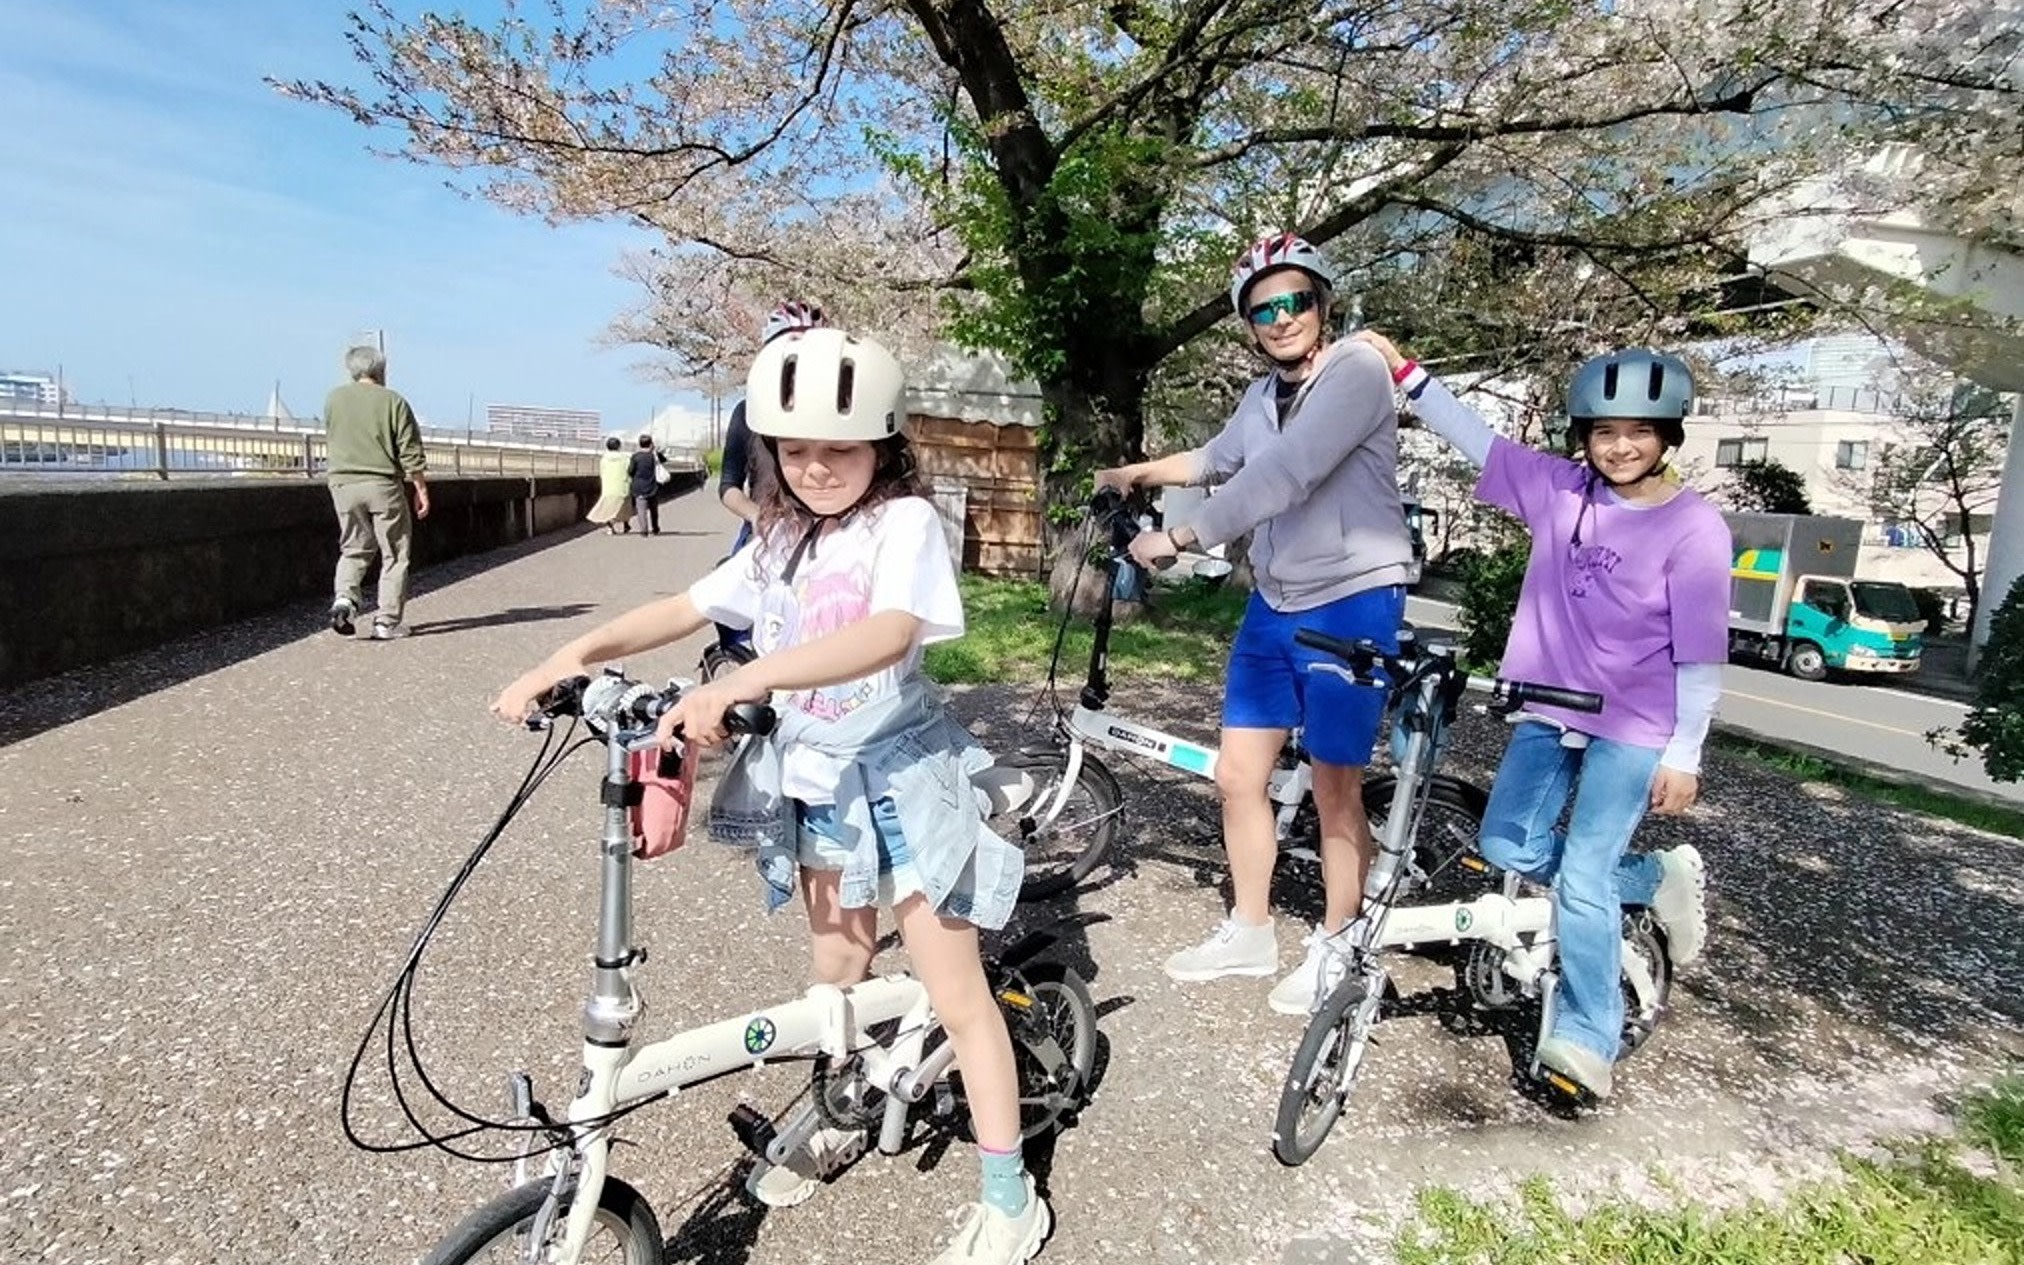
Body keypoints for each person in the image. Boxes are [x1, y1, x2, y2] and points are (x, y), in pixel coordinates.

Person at [492, 328, 1050, 1264]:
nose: (819, 467)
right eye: (797, 449)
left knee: (958, 995)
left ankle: (1009, 1195)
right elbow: (684, 607)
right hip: (821, 786)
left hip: (903, 784)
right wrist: (572, 653)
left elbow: (888, 633)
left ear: (883, 445)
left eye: (841, 447)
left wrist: (746, 682)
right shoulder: (781, 541)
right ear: (769, 453)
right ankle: (844, 1106)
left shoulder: (903, 525)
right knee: (834, 978)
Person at [1355, 328, 1718, 1100]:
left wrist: (1685, 753)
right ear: (1583, 436)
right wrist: (1406, 372)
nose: (1620, 446)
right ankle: (1653, 878)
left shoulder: (1695, 528)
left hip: (1633, 724)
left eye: (1639, 432)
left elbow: (1701, 654)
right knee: (1505, 840)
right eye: (1605, 431)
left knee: (1582, 878)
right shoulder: (1560, 490)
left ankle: (1588, 1035)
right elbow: (1474, 440)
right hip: (1548, 707)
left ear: (1667, 437)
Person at [1093, 233, 1414, 1016]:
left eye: (1295, 300)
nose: (1282, 317)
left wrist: (1178, 537)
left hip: (1353, 597)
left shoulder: (1356, 373)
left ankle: (1341, 942)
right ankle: (1250, 927)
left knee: (1336, 782)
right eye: (1263, 308)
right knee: (1239, 777)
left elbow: (1282, 473)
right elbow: (1219, 457)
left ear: (1323, 302)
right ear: (1247, 324)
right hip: (1276, 603)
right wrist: (1136, 471)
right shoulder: (1259, 395)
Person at [324, 344, 430, 640]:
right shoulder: (393, 401)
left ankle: (345, 598)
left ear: (352, 369)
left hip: (343, 483)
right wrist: (420, 488)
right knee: (395, 552)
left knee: (354, 547)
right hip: (382, 484)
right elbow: (410, 450)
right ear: (381, 369)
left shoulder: (334, 399)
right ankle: (386, 621)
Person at [586, 435, 635, 534]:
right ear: (619, 446)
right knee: (624, 507)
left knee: (608, 508)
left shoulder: (604, 459)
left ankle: (610, 527)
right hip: (623, 486)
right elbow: (630, 471)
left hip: (608, 486)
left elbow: (602, 472)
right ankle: (626, 525)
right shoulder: (626, 458)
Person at [628, 433, 663, 535]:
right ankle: (655, 527)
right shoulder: (653, 456)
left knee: (641, 509)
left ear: (640, 444)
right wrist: (655, 451)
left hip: (638, 486)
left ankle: (644, 530)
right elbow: (663, 461)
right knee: (653, 509)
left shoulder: (635, 457)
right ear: (651, 444)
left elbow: (630, 471)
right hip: (652, 486)